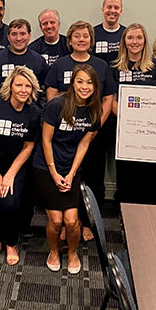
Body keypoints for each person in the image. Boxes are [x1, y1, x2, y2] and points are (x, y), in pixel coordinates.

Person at [34, 65, 101, 274]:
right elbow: (46, 141)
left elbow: (84, 143)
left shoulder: (94, 110)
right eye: (80, 81)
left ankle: (72, 253)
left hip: (71, 167)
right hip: (46, 165)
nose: (84, 86)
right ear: (72, 83)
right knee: (56, 220)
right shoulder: (57, 105)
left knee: (71, 221)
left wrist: (71, 174)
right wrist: (54, 173)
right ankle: (54, 251)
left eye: (89, 82)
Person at [45, 21, 114, 216]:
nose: (81, 40)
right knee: (67, 176)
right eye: (77, 36)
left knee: (92, 177)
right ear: (70, 40)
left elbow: (108, 98)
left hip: (92, 134)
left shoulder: (101, 66)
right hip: (64, 135)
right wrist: (61, 119)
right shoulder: (60, 64)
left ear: (91, 40)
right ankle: (67, 218)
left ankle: (88, 221)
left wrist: (94, 127)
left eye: (85, 36)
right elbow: (51, 92)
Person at [0, 66, 41, 265]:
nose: (23, 90)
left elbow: (28, 146)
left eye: (28, 86)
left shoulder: (33, 113)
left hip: (16, 163)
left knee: (11, 202)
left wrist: (11, 173)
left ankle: (11, 243)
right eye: (19, 85)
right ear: (10, 86)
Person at [111, 23, 156, 204]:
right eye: (130, 38)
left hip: (151, 132)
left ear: (145, 41)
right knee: (126, 178)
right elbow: (111, 100)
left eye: (139, 38)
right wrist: (129, 121)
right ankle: (124, 216)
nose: (135, 42)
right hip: (124, 130)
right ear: (124, 41)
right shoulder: (115, 68)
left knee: (149, 177)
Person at [0, 19, 48, 105]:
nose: (18, 38)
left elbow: (44, 94)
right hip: (1, 114)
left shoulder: (39, 61)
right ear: (8, 37)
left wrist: (40, 115)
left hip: (30, 115)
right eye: (14, 34)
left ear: (29, 36)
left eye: (23, 34)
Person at [93, 0, 126, 65]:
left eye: (116, 8)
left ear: (121, 11)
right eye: (109, 7)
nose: (112, 10)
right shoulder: (92, 33)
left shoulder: (127, 34)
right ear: (103, 10)